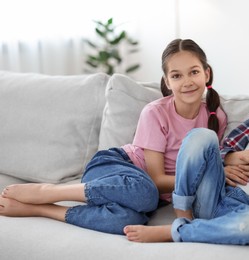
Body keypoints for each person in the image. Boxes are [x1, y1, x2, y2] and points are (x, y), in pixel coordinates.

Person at [0, 39, 227, 235]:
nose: (187, 81)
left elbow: (211, 162)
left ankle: (42, 209)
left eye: (194, 72)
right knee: (146, 193)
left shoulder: (216, 117)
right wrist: (207, 179)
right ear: (167, 82)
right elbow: (157, 180)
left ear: (206, 73)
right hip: (115, 167)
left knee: (130, 220)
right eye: (177, 75)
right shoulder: (156, 112)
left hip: (143, 195)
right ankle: (49, 192)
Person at [123, 67, 249, 245]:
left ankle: (178, 230)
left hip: (245, 212)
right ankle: (182, 211)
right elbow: (219, 153)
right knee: (203, 136)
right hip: (212, 194)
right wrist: (239, 158)